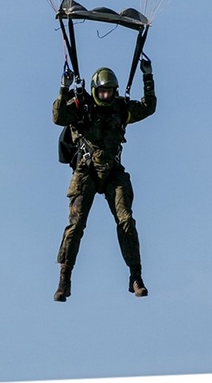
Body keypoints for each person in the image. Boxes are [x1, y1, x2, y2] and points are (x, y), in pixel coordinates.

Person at [52, 57, 156, 301]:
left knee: (126, 221)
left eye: (110, 92)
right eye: (103, 92)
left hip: (112, 172)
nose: (106, 96)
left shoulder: (121, 110)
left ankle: (136, 276)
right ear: (95, 91)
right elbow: (58, 117)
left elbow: (148, 107)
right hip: (86, 171)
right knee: (75, 226)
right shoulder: (81, 107)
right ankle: (64, 279)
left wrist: (147, 76)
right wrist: (63, 88)